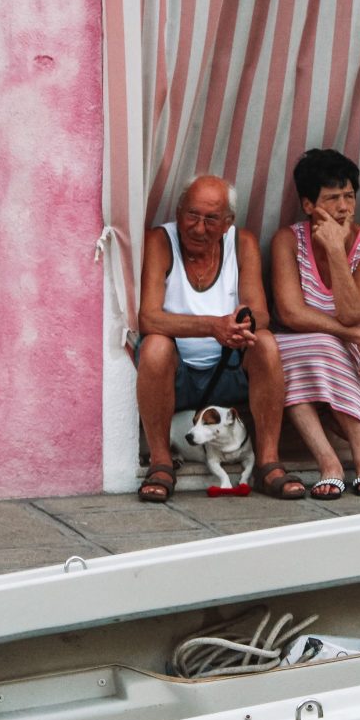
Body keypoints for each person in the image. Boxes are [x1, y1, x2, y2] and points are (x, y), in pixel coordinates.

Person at [135, 175, 307, 503]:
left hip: (227, 370)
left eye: (211, 219)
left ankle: (268, 462)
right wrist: (213, 326)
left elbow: (261, 315)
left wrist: (244, 322)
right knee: (155, 346)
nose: (198, 228)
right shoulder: (160, 241)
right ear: (179, 210)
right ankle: (160, 462)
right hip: (178, 373)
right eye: (192, 215)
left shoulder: (242, 244)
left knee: (266, 342)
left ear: (227, 223)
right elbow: (149, 318)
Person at [271, 149, 360, 499]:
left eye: (349, 196)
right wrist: (351, 334)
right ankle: (330, 462)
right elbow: (290, 314)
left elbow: (353, 313)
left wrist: (335, 251)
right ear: (309, 205)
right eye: (332, 199)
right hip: (326, 343)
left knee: (314, 347)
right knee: (282, 350)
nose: (344, 207)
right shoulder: (288, 241)